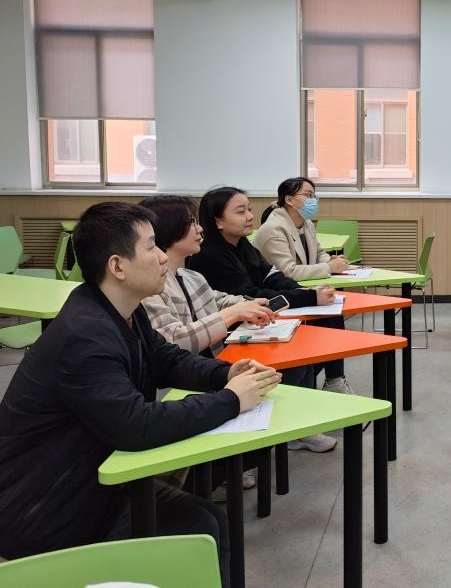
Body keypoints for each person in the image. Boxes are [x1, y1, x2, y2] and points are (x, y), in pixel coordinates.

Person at [0, 203, 280, 586]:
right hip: (46, 508)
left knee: (209, 519)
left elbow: (167, 360)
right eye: (151, 247)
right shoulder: (85, 334)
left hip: (90, 481)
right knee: (196, 532)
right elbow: (137, 425)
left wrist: (226, 373)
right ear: (118, 266)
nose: (163, 256)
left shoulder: (123, 309)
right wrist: (231, 399)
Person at [139, 194, 276, 491]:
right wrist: (231, 314)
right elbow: (175, 340)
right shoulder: (150, 288)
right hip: (177, 389)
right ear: (168, 230)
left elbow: (218, 299)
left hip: (206, 372)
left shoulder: (189, 275)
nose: (200, 229)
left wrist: (250, 305)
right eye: (191, 222)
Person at [188, 186, 338, 452]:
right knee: (293, 363)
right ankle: (281, 427)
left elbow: (273, 277)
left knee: (305, 356)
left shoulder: (242, 245)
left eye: (249, 209)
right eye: (240, 211)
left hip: (255, 322)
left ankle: (298, 423)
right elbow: (251, 295)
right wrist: (308, 297)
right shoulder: (209, 255)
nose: (250, 216)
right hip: (229, 334)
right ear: (218, 221)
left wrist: (304, 292)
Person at [254, 177, 353, 395]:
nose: (313, 200)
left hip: (300, 289)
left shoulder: (305, 223)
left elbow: (319, 253)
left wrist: (334, 262)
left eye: (314, 195)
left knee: (333, 312)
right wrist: (328, 267)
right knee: (328, 321)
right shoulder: (273, 229)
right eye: (308, 195)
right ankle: (332, 380)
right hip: (279, 296)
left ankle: (334, 379)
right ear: (289, 199)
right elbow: (288, 271)